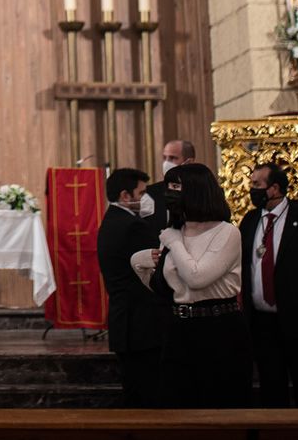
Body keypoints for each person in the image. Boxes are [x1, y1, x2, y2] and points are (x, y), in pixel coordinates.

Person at [130, 162, 249, 407]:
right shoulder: (175, 231)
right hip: (180, 327)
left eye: (176, 186)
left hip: (218, 328)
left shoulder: (226, 232)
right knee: (176, 404)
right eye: (169, 186)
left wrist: (174, 244)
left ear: (196, 190)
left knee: (219, 405)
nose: (169, 193)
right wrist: (138, 261)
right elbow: (169, 287)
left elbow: (197, 278)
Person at [239, 162, 298, 407]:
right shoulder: (249, 221)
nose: (252, 189)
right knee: (271, 391)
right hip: (262, 324)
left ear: (275, 188)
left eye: (257, 184)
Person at [95, 166, 165, 407]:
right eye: (142, 192)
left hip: (125, 321)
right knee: (147, 394)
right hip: (140, 323)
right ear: (126, 196)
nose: (145, 198)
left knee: (135, 390)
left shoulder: (112, 220)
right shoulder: (131, 226)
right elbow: (156, 265)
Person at [144, 139, 196, 224]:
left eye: (172, 158)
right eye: (165, 158)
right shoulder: (150, 193)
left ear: (189, 162)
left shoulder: (202, 192)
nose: (166, 163)